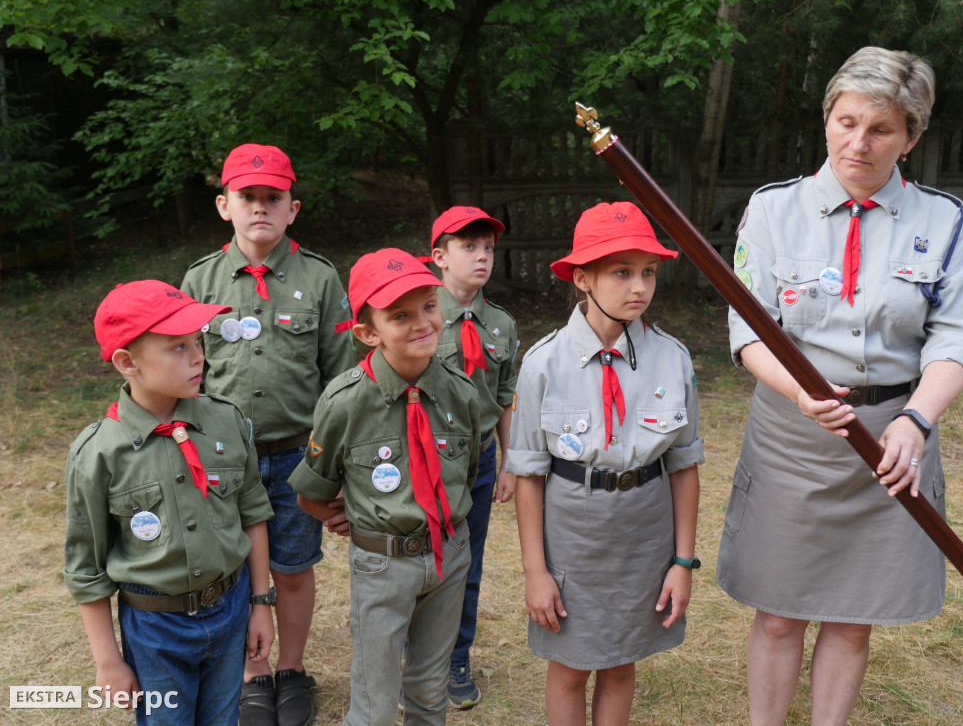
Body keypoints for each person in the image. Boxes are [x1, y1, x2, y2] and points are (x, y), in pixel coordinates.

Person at [717, 46, 963, 726]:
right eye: (845, 122)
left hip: (893, 440)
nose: (857, 142)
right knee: (779, 617)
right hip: (793, 432)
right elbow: (748, 331)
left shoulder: (941, 221)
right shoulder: (773, 211)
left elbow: (956, 337)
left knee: (853, 616)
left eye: (881, 129)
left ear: (912, 138)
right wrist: (800, 393)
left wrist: (915, 422)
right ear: (826, 120)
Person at [508, 202, 703, 726]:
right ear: (582, 277)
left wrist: (682, 563)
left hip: (644, 532)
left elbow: (684, 465)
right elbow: (528, 474)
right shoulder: (543, 363)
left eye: (648, 272)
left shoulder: (673, 357)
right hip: (573, 533)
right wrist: (535, 571)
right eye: (622, 272)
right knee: (570, 667)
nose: (639, 286)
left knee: (620, 662)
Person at [180, 143, 354, 726]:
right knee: (232, 570)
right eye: (247, 197)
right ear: (224, 204)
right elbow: (188, 374)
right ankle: (252, 672)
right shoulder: (200, 279)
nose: (260, 207)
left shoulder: (320, 277)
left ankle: (292, 668)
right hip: (224, 460)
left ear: (292, 208)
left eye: (272, 198)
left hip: (296, 458)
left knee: (293, 567)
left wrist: (335, 464)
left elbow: (338, 378)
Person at [64, 280, 275, 726]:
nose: (199, 355)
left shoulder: (227, 420)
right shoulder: (99, 453)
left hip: (232, 606)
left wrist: (260, 602)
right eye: (177, 347)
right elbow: (87, 567)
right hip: (155, 626)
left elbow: (252, 512)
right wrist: (108, 661)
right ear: (127, 362)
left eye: (198, 341)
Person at [288, 247, 480, 726]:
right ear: (368, 333)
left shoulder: (461, 390)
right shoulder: (345, 402)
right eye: (400, 316)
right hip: (383, 563)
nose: (421, 324)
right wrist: (348, 514)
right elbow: (310, 491)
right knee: (374, 701)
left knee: (430, 690)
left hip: (449, 555)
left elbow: (467, 473)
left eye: (429, 307)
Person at [429, 205, 519, 709]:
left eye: (487, 248)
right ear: (439, 257)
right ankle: (417, 655)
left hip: (479, 461)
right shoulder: (419, 313)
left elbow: (504, 396)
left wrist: (508, 462)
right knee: (421, 561)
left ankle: (456, 656)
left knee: (468, 562)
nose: (481, 256)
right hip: (425, 457)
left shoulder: (500, 324)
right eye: (469, 247)